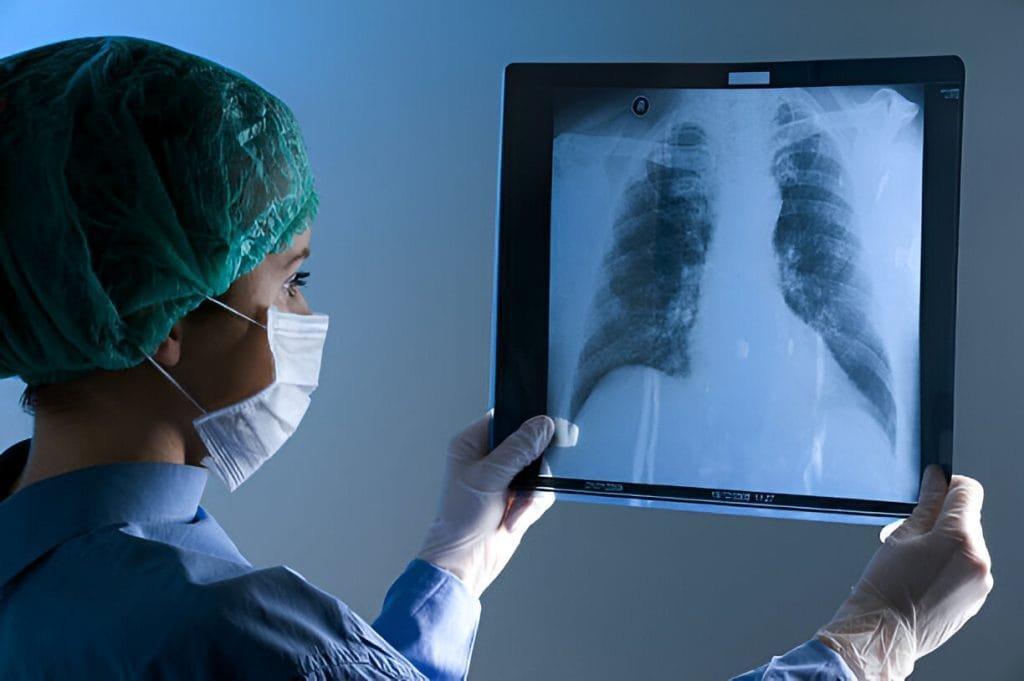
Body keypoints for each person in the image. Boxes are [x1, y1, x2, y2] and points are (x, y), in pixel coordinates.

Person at [0, 36, 991, 681]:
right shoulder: (225, 633)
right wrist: (871, 641)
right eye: (292, 279)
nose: (307, 312)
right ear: (165, 321)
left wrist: (454, 565)